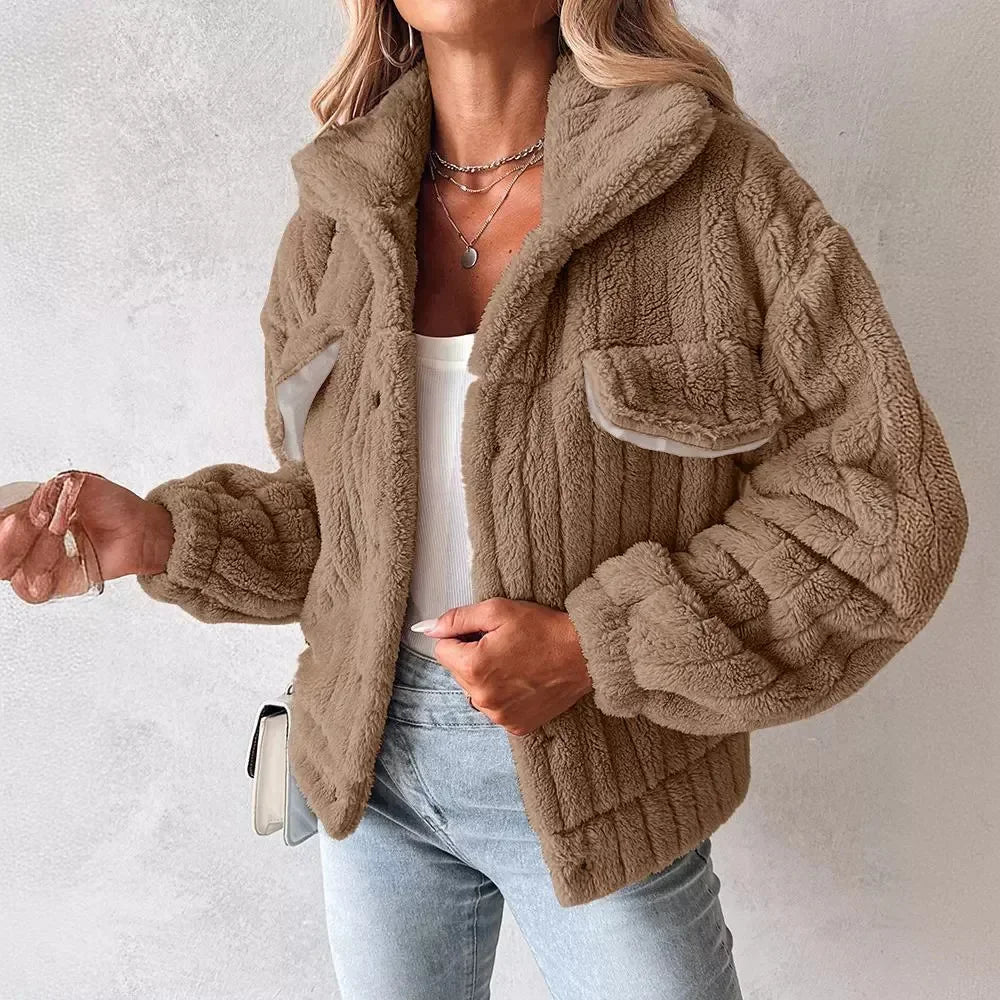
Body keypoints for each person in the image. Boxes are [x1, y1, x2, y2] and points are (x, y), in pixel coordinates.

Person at [1, 2, 969, 997]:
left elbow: (887, 506)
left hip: (606, 786)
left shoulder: (712, 183)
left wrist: (596, 647)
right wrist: (160, 534)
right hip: (370, 783)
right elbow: (342, 530)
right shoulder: (335, 214)